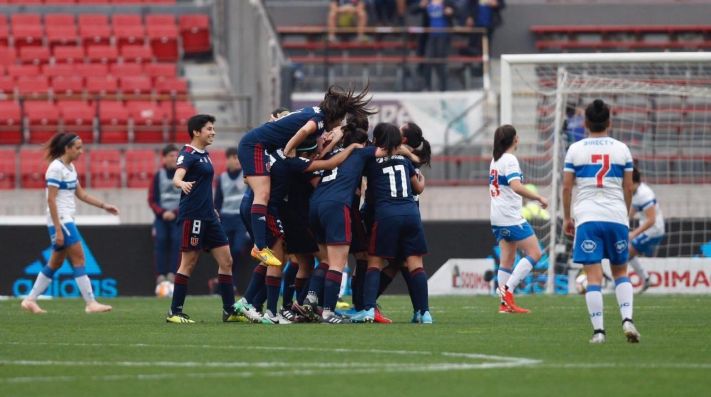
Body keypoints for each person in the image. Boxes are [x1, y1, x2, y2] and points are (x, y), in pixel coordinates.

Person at [238, 85, 374, 267]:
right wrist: (288, 149)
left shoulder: (316, 114)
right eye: (340, 119)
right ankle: (260, 247)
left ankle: (261, 246)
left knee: (263, 193)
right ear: (336, 115)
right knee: (262, 194)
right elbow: (303, 132)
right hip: (254, 145)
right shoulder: (318, 121)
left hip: (260, 146)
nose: (339, 125)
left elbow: (320, 156)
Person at [562, 99, 640, 344]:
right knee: (620, 272)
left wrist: (566, 217)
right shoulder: (622, 149)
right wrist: (625, 215)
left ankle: (599, 332)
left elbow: (566, 187)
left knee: (593, 277)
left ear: (585, 123)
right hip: (616, 216)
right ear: (609, 121)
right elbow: (629, 187)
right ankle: (627, 319)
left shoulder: (575, 150)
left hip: (588, 218)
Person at [21, 132, 118, 314]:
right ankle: (90, 303)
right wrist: (58, 230)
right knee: (80, 259)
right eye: (78, 148)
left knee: (55, 263)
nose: (81, 151)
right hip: (62, 221)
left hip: (66, 220)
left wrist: (104, 205)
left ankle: (30, 300)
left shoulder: (70, 168)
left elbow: (81, 194)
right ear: (67, 148)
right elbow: (51, 200)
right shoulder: (55, 168)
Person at [352, 123, 433, 324]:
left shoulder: (371, 161)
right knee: (415, 264)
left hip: (387, 215)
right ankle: (424, 313)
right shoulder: (405, 161)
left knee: (375, 262)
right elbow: (417, 187)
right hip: (411, 214)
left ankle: (368, 310)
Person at [166, 114, 240, 324]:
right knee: (188, 264)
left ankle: (229, 311)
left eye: (213, 128)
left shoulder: (204, 155)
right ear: (196, 132)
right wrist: (182, 184)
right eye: (209, 129)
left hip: (209, 215)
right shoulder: (188, 153)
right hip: (194, 216)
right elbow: (177, 178)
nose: (213, 132)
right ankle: (175, 312)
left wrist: (212, 208)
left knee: (227, 261)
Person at [488, 125, 548, 314]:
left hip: (497, 216)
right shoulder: (510, 159)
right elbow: (515, 186)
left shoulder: (495, 160)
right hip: (510, 216)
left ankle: (504, 305)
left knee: (507, 260)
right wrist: (538, 197)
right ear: (515, 139)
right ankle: (508, 292)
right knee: (535, 252)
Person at [214, 147, 251, 288]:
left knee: (237, 249)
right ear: (227, 159)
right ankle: (226, 283)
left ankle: (230, 281)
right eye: (234, 158)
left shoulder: (246, 176)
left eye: (239, 158)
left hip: (240, 219)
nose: (237, 161)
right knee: (224, 253)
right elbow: (218, 200)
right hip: (225, 219)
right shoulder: (221, 178)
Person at [148, 144, 182, 287]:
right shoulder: (158, 176)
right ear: (164, 158)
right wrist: (163, 213)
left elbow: (188, 199)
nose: (174, 158)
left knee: (177, 242)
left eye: (176, 156)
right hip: (161, 218)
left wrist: (174, 213)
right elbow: (152, 199)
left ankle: (173, 275)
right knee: (160, 241)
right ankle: (160, 276)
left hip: (178, 217)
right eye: (171, 156)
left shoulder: (183, 175)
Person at [628, 167, 665, 293]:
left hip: (654, 230)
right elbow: (631, 212)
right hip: (647, 227)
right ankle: (645, 279)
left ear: (634, 182)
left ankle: (616, 281)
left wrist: (633, 233)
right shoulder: (635, 192)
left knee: (626, 252)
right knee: (625, 252)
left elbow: (651, 220)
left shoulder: (645, 195)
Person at [418, 0, 455, 91]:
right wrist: (420, 5)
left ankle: (443, 87)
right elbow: (413, 10)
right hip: (431, 36)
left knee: (440, 62)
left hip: (443, 36)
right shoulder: (428, 3)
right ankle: (427, 86)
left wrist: (451, 12)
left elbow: (457, 12)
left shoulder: (447, 3)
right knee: (427, 61)